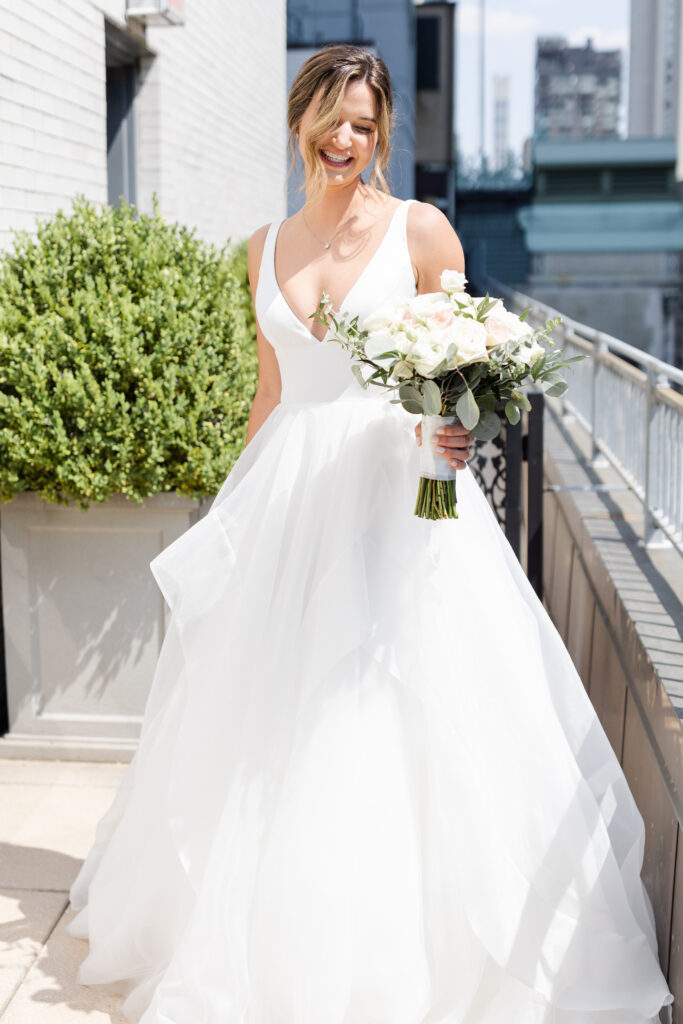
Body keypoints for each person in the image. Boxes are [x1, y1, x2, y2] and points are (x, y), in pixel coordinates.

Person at [68, 45, 673, 1024]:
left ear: (380, 132)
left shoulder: (422, 231)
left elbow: (467, 376)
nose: (345, 140)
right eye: (330, 121)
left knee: (399, 713)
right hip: (289, 508)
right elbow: (272, 395)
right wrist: (232, 517)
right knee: (274, 719)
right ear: (299, 121)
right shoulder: (258, 247)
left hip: (401, 503)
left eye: (363, 124)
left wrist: (457, 431)